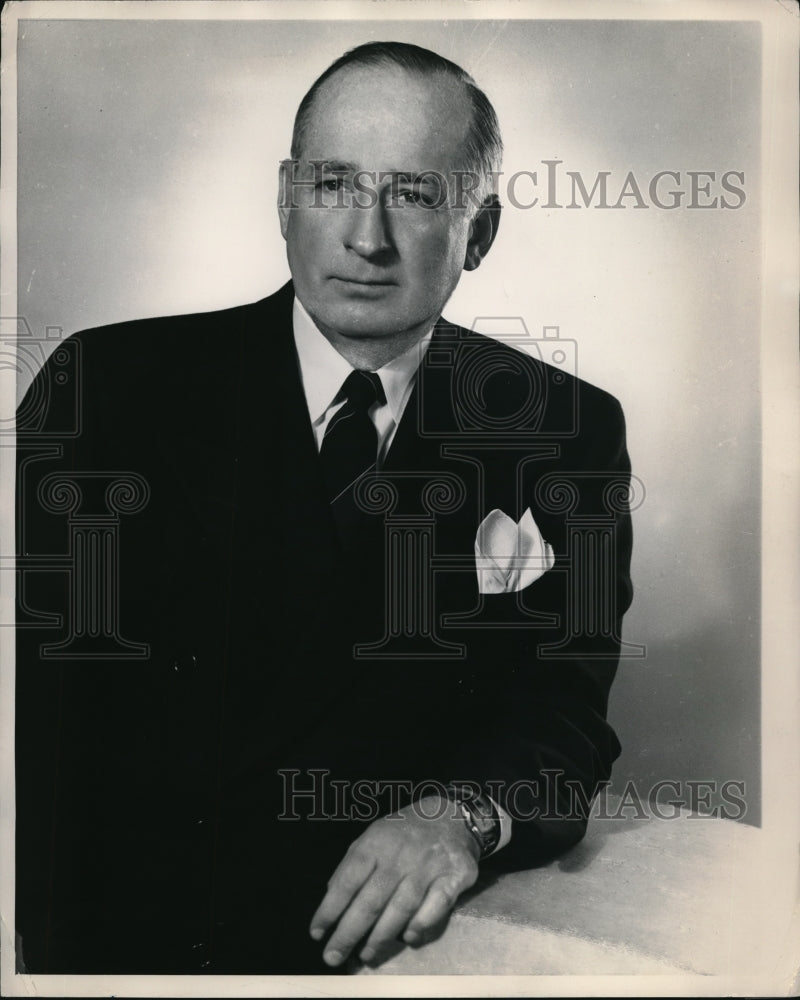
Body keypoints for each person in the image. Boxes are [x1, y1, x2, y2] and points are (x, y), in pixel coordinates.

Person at [15, 41, 633, 975]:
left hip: (405, 950)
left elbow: (565, 708)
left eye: (414, 194)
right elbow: (33, 713)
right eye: (335, 183)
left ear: (480, 231)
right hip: (138, 944)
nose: (366, 237)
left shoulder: (564, 428)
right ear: (284, 199)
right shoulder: (106, 389)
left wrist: (460, 816)